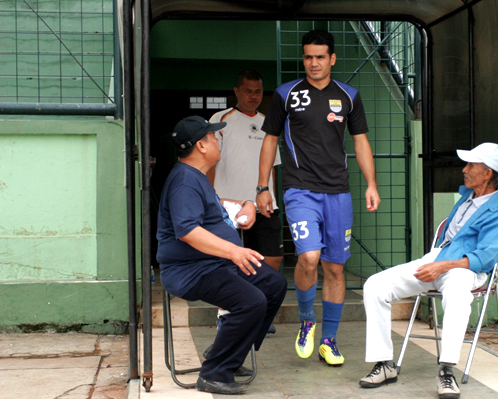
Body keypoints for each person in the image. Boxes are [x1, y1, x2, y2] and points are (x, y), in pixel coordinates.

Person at [258, 29, 381, 367]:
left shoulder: (349, 95)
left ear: (332, 59)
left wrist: (371, 184)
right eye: (308, 57)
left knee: (335, 268)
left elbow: (360, 142)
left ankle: (329, 340)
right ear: (304, 59)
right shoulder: (285, 94)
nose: (314, 63)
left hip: (338, 192)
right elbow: (269, 140)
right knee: (309, 257)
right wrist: (262, 186)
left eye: (320, 57)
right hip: (300, 190)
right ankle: (307, 319)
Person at [358, 143, 498, 399]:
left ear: (487, 173)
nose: (464, 170)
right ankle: (384, 363)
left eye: (471, 166)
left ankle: (446, 370)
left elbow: (485, 257)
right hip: (438, 259)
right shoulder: (468, 196)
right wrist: (437, 262)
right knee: (375, 285)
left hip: (465, 269)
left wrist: (443, 266)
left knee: (456, 293)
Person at [156, 116, 287, 395]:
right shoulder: (184, 182)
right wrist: (234, 251)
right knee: (252, 301)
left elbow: (218, 207)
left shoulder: (197, 178)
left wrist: (249, 204)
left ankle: (228, 353)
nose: (219, 140)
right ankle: (214, 372)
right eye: (214, 137)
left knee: (274, 284)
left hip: (214, 263)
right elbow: (188, 231)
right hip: (191, 271)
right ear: (201, 146)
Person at [208, 70, 283, 334]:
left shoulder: (269, 122)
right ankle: (225, 315)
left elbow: (273, 166)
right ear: (237, 91)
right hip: (229, 204)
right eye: (248, 91)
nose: (253, 96)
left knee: (271, 258)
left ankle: (258, 310)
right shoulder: (220, 119)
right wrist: (211, 198)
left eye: (258, 91)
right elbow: (209, 161)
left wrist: (272, 196)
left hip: (263, 203)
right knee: (229, 262)